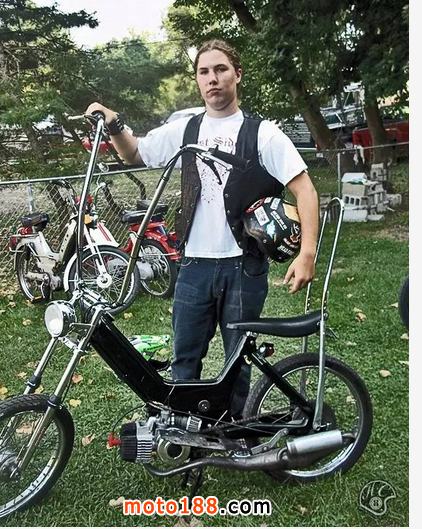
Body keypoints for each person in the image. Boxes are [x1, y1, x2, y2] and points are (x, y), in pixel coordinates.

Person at [86, 39, 319, 418]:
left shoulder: (262, 133)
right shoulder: (186, 129)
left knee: (237, 363)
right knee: (185, 359)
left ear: (237, 75)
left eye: (221, 69)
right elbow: (134, 153)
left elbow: (304, 189)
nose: (213, 78)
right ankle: (185, 432)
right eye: (204, 71)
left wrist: (306, 252)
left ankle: (236, 434)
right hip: (194, 266)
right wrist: (114, 124)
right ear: (197, 79)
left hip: (243, 268)